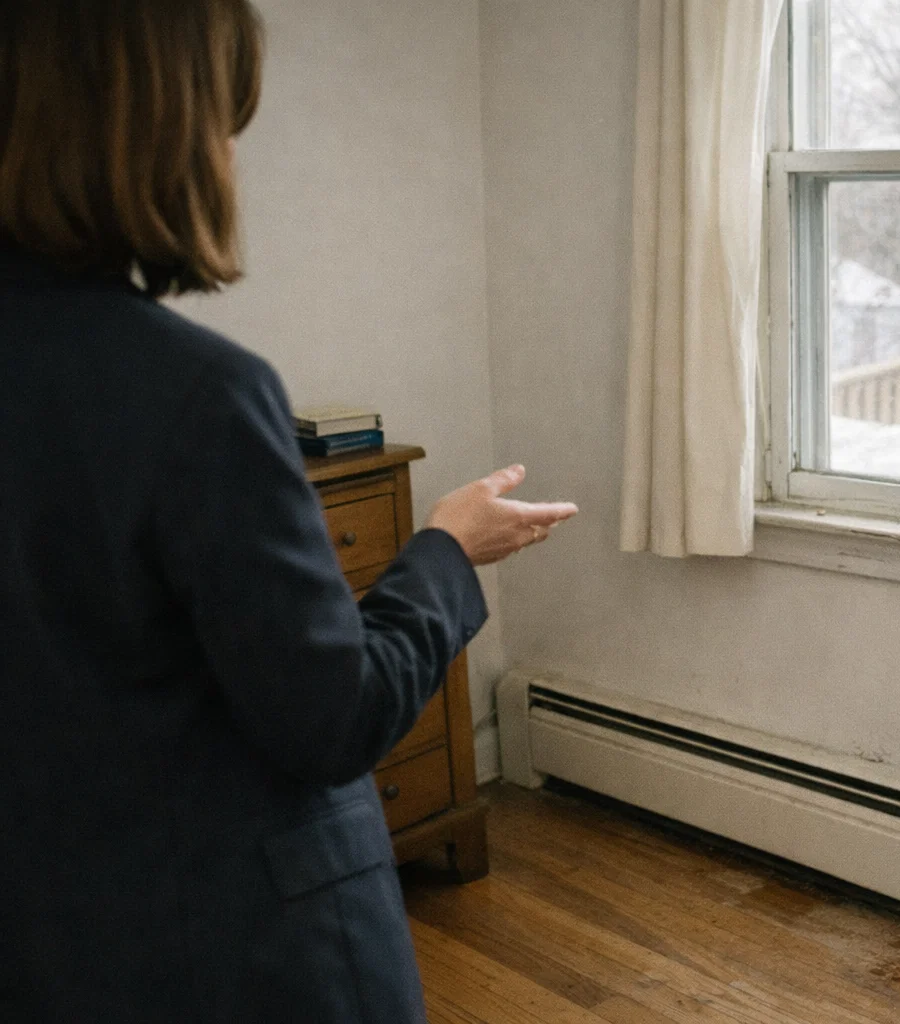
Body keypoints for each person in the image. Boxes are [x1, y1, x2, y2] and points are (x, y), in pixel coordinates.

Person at [0, 2, 577, 1021]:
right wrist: (446, 550)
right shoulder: (194, 395)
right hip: (238, 953)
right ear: (157, 127)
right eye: (224, 118)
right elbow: (331, 717)